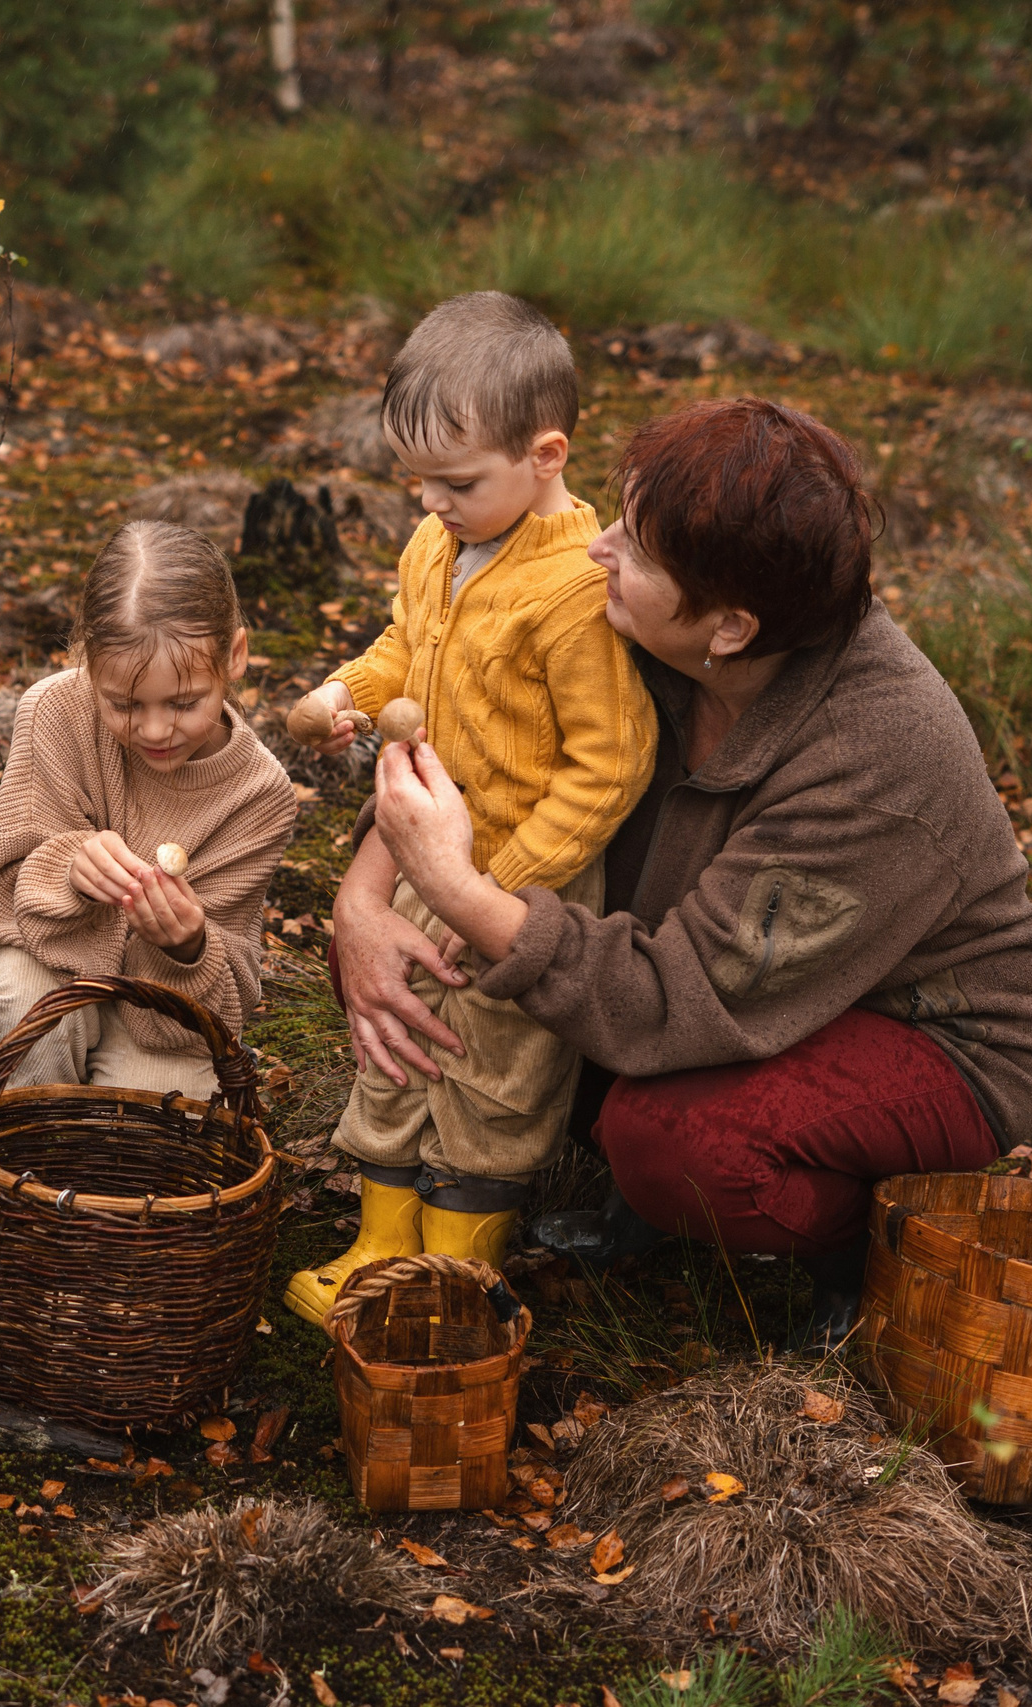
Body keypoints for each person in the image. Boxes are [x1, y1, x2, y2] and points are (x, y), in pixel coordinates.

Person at [352, 396, 1032, 1337]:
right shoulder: (638, 630)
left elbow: (666, 1002)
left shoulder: (879, 758)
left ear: (729, 627)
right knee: (402, 953)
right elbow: (475, 748)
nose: (596, 548)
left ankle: (867, 1247)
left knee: (673, 1144)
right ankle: (612, 1175)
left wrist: (455, 890)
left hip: (924, 1031)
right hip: (706, 973)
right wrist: (362, 903)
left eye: (636, 547)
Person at [279, 292, 657, 1323]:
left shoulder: (573, 594)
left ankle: (452, 1272)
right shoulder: (437, 546)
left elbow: (609, 763)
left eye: (455, 481)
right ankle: (376, 1249)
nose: (432, 501)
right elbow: (404, 649)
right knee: (396, 1042)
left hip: (517, 878)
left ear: (545, 454)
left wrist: (497, 884)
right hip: (420, 853)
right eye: (416, 482)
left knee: (487, 1069)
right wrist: (340, 696)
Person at [0, 521, 299, 1097]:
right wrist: (68, 870)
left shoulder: (258, 795)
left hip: (161, 1006)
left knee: (164, 1109)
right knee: (19, 1012)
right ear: (86, 662)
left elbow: (229, 987)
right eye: (124, 704)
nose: (156, 730)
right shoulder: (55, 713)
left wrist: (189, 945)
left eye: (184, 703)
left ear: (234, 656)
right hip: (45, 962)